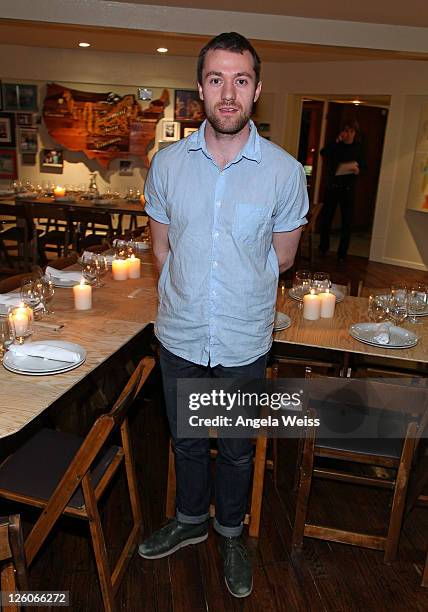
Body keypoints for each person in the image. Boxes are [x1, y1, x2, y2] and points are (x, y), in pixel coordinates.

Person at [139, 32, 308, 598]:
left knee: (236, 449)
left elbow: (283, 259)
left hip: (242, 339)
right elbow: (160, 250)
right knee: (186, 440)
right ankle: (190, 520)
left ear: (257, 90)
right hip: (181, 335)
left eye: (240, 80)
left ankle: (230, 532)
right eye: (217, 79)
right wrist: (185, 297)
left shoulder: (284, 173)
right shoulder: (166, 166)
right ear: (200, 89)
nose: (228, 93)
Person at [318, 120, 367, 262]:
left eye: (351, 131)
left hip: (348, 189)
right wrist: (337, 140)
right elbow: (324, 152)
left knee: (347, 222)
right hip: (333, 187)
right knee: (326, 219)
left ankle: (342, 254)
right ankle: (323, 247)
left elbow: (364, 167)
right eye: (346, 131)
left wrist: (358, 170)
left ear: (355, 133)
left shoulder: (358, 148)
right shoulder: (336, 145)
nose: (348, 134)